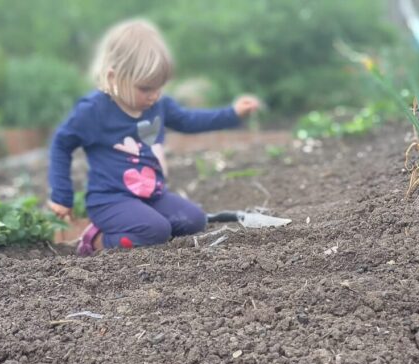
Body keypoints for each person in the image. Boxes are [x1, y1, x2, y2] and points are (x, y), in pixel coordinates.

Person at [47, 19, 260, 255]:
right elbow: (61, 145)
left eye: (159, 87)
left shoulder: (159, 105)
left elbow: (190, 121)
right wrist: (62, 195)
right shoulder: (93, 111)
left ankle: (140, 228)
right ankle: (96, 239)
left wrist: (232, 114)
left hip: (151, 195)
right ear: (113, 77)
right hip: (110, 201)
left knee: (194, 220)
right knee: (155, 231)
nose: (154, 96)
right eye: (145, 88)